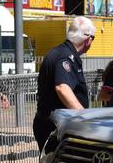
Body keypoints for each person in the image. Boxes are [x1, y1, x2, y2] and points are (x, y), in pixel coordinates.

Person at [33, 16, 96, 152]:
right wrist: (84, 117)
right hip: (56, 127)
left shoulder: (59, 52)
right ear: (87, 39)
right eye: (93, 38)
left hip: (52, 124)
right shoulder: (65, 57)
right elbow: (62, 88)